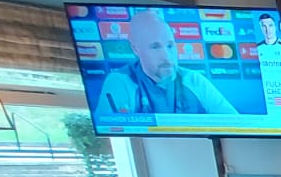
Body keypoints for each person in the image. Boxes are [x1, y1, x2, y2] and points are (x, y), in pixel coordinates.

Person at [95, 10, 237, 118]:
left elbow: (236, 124)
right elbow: (113, 127)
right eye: (155, 47)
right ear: (136, 49)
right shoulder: (120, 81)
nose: (167, 56)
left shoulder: (193, 80)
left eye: (170, 46)